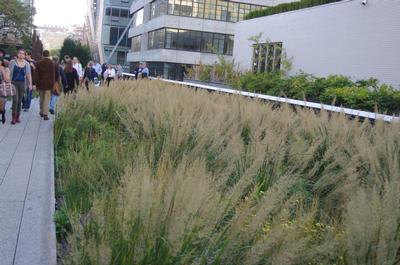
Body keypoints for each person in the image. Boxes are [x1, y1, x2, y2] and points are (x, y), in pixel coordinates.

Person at [9, 49, 32, 124]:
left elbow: (28, 75)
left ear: (25, 55)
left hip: (22, 84)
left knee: (19, 100)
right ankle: (13, 117)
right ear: (17, 54)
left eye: (23, 54)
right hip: (13, 83)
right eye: (20, 53)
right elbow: (9, 72)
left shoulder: (27, 64)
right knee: (15, 100)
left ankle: (18, 116)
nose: (21, 55)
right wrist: (7, 82)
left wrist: (30, 84)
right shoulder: (12, 62)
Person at [35, 50, 56, 121]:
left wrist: (36, 84)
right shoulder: (52, 63)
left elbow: (36, 75)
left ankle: (41, 111)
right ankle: (45, 114)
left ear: (42, 55)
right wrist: (53, 84)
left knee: (41, 98)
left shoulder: (38, 63)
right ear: (49, 55)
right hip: (49, 84)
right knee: (47, 99)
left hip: (40, 83)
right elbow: (53, 75)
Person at [0, 58, 11, 124]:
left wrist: (2, 70)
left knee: (1, 106)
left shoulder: (6, 69)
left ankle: (3, 113)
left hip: (3, 89)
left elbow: (7, 80)